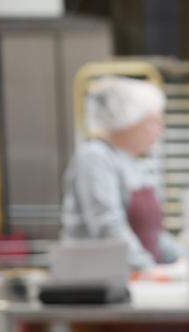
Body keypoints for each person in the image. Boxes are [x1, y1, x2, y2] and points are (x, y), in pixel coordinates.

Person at [60, 76, 182, 272]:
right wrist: (148, 271)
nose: (161, 130)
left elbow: (153, 235)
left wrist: (186, 262)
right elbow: (108, 228)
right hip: (96, 285)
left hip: (133, 280)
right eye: (154, 122)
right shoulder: (94, 157)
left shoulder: (134, 164)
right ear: (128, 122)